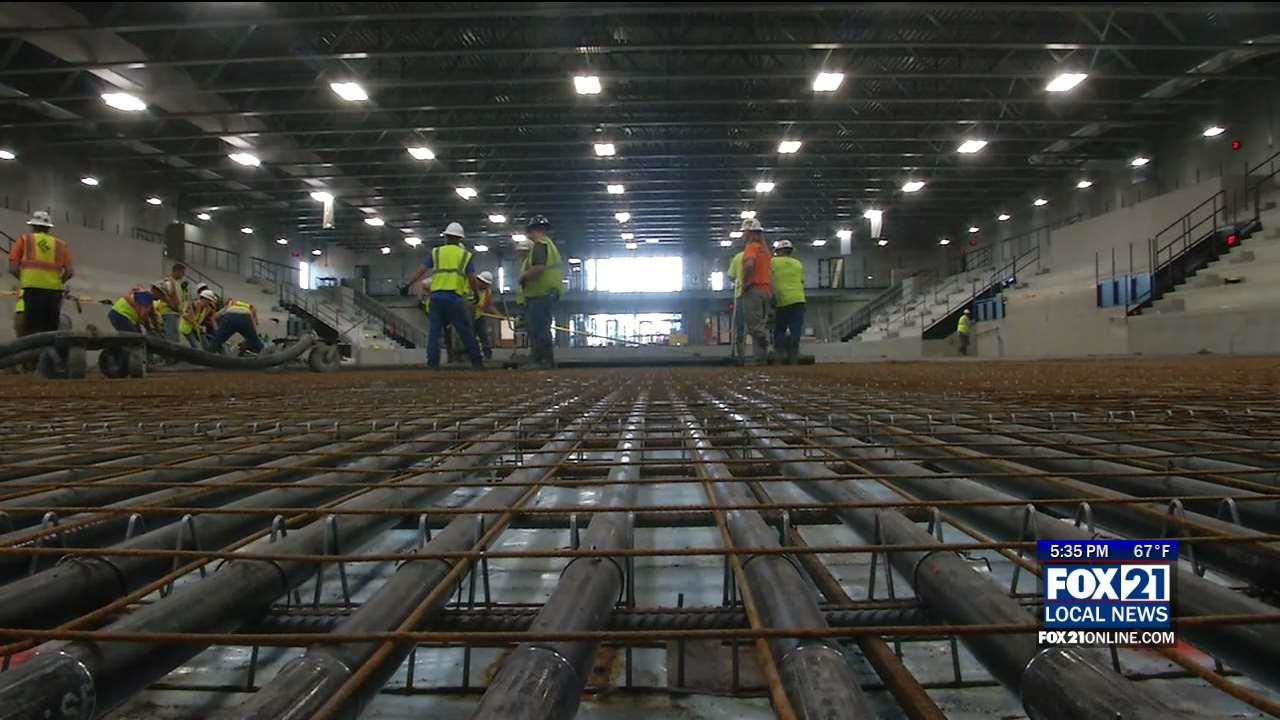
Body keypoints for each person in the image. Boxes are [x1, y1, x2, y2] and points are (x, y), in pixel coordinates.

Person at [402, 222, 484, 370]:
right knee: (465, 331)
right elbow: (471, 278)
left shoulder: (436, 252)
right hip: (455, 298)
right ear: (460, 239)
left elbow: (421, 271)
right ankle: (477, 362)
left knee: (434, 333)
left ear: (446, 237)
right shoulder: (465, 255)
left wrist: (408, 285)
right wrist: (476, 294)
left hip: (437, 298)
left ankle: (432, 364)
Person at [8, 210, 73, 337]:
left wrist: (25, 279)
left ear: (33, 226)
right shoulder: (61, 244)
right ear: (49, 228)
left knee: (31, 333)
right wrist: (58, 282)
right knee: (51, 332)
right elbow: (70, 272)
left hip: (32, 291)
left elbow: (13, 268)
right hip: (53, 293)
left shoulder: (25, 240)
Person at [519, 214, 563, 369]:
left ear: (532, 230)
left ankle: (541, 361)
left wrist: (523, 276)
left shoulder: (540, 245)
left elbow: (538, 268)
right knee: (540, 327)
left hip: (541, 293)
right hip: (546, 292)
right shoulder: (548, 245)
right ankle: (544, 360)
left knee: (539, 328)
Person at [737, 218, 773, 363]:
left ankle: (765, 344)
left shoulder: (751, 247)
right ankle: (761, 358)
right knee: (761, 324)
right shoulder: (765, 251)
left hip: (754, 290)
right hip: (767, 290)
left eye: (745, 232)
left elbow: (749, 265)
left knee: (754, 326)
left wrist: (746, 283)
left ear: (749, 232)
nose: (743, 235)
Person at [770, 239, 806, 364]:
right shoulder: (798, 263)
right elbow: (802, 281)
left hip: (782, 300)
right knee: (796, 329)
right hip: (799, 299)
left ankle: (779, 356)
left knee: (780, 329)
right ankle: (793, 356)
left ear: (778, 251)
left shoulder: (773, 262)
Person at [153, 263, 188, 341]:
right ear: (176, 271)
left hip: (175, 312)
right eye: (182, 272)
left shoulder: (178, 283)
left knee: (174, 336)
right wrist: (172, 305)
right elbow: (164, 295)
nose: (183, 275)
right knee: (171, 337)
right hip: (169, 312)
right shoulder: (168, 282)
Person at [726, 244, 746, 358]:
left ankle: (740, 355)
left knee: (740, 326)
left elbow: (730, 276)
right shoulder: (761, 256)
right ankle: (761, 357)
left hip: (741, 294)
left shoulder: (738, 257)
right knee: (759, 327)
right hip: (759, 292)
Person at [472, 270, 497, 360]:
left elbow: (489, 306)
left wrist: (499, 315)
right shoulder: (471, 288)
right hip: (468, 318)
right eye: (484, 283)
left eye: (487, 284)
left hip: (479, 317)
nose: (486, 286)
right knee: (470, 338)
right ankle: (472, 356)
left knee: (484, 336)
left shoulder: (487, 292)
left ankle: (488, 356)